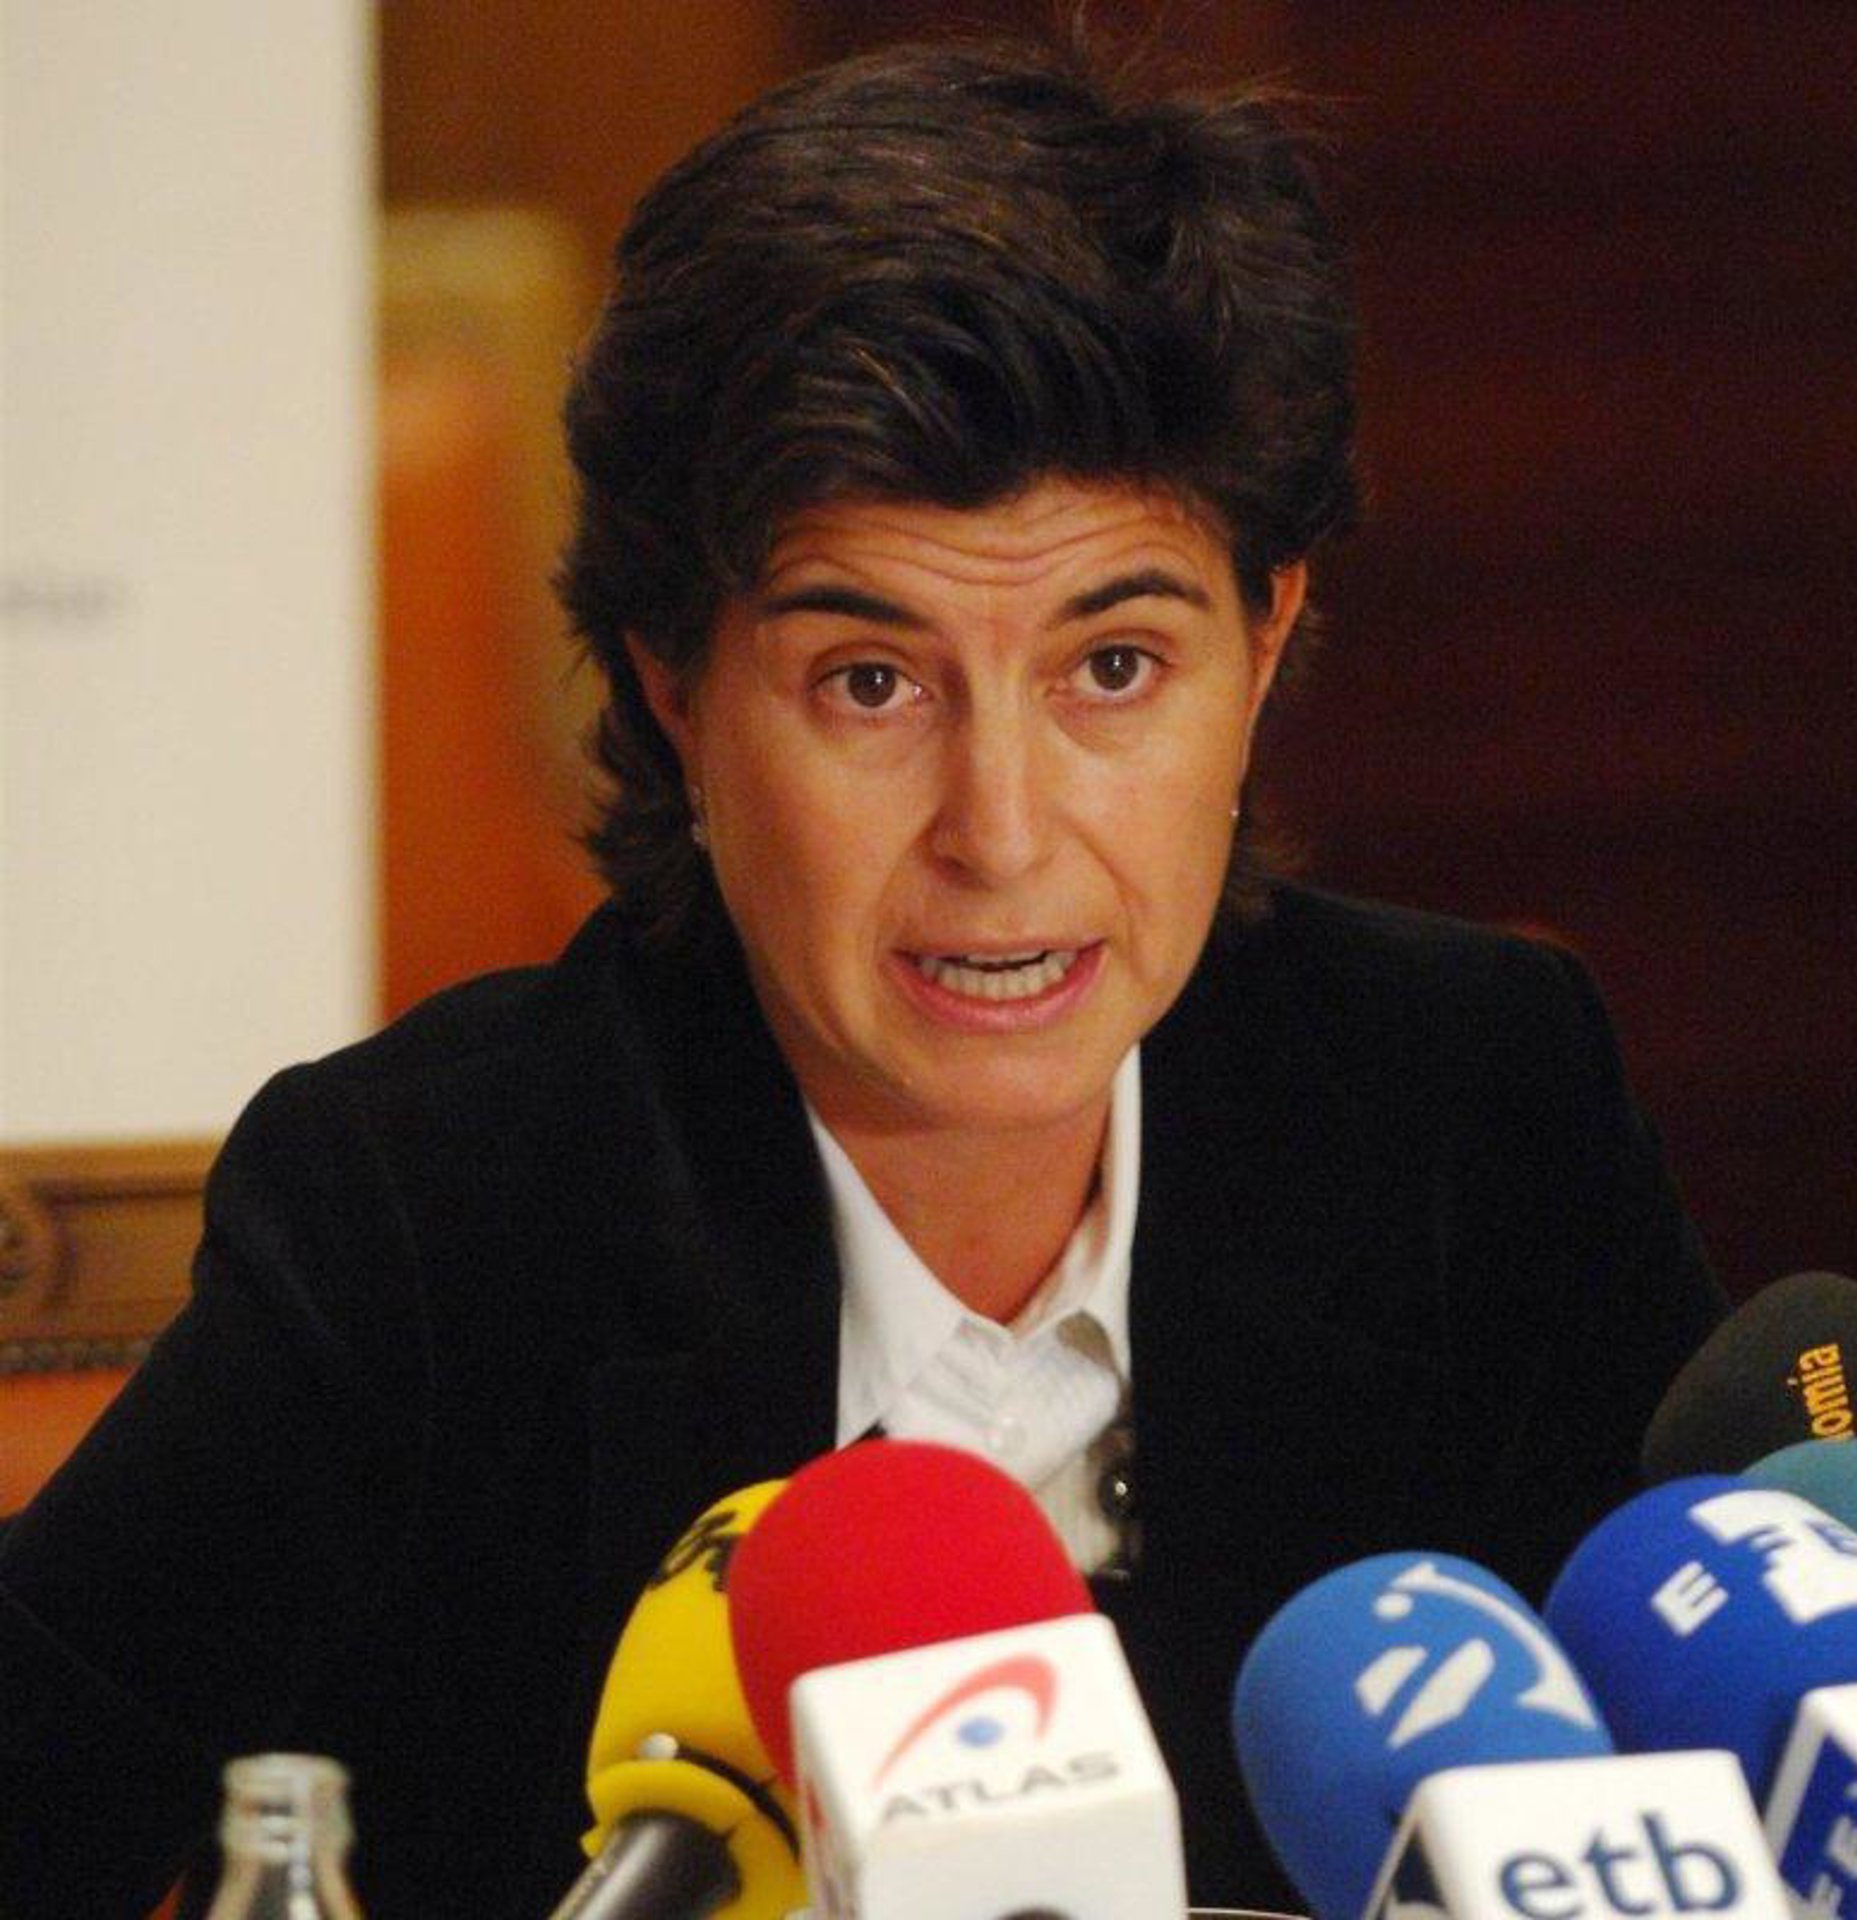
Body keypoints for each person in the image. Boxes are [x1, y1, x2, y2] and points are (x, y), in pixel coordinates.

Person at [0, 27, 1725, 1919]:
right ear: (674, 693)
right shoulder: (428, 1221)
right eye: (873, 682)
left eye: (1114, 668)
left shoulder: (1475, 1108)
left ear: (1265, 644)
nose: (1003, 832)